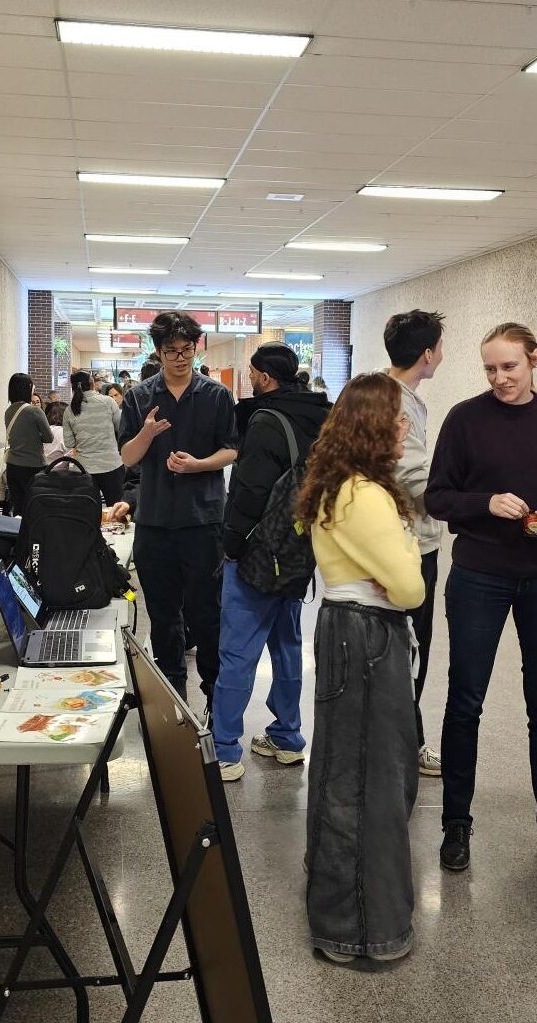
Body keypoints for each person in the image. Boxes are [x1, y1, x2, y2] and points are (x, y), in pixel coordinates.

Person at [297, 373, 425, 964]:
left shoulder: (341, 485)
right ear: (373, 424)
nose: (405, 427)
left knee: (346, 773)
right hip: (368, 638)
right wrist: (400, 569)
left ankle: (343, 922)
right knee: (373, 781)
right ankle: (360, 929)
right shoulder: (364, 494)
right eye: (397, 418)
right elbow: (410, 589)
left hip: (347, 632)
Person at [426, 322, 537, 872]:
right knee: (466, 699)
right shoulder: (466, 419)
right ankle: (456, 823)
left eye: (509, 367)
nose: (499, 378)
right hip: (479, 574)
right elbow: (437, 497)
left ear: (533, 360)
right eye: (490, 369)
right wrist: (485, 504)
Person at [212, 344, 329, 782]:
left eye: (252, 371)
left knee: (238, 651)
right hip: (298, 550)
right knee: (287, 645)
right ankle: (287, 737)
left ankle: (224, 748)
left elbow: (249, 493)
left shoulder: (265, 421)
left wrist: (232, 545)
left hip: (259, 554)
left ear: (264, 377)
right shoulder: (321, 416)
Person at [119, 312, 238, 707]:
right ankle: (173, 700)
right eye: (172, 351)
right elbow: (128, 457)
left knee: (207, 614)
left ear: (195, 348)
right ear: (158, 351)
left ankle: (214, 699)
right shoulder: (140, 397)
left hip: (203, 521)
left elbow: (232, 449)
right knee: (164, 616)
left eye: (187, 350)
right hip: (154, 523)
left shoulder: (216, 395)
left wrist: (199, 465)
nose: (180, 358)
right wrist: (147, 433)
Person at [384, 309, 445, 776]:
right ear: (427, 354)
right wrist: (465, 500)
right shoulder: (398, 402)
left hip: (390, 541)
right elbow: (415, 479)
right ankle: (408, 742)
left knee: (401, 646)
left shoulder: (381, 391)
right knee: (410, 646)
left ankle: (403, 737)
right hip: (410, 545)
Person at [63, 371, 124, 505]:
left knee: (88, 511)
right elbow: (121, 428)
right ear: (92, 384)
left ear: (73, 387)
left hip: (84, 469)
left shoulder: (69, 410)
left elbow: (69, 443)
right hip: (111, 465)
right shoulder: (108, 402)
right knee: (116, 509)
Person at [4, 374, 53, 517]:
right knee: (36, 507)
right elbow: (49, 437)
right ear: (28, 389)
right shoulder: (35, 411)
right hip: (33, 466)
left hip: (12, 466)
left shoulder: (9, 411)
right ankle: (35, 538)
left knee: (19, 508)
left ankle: (20, 537)